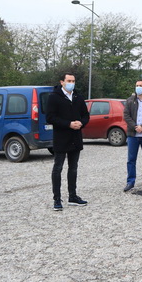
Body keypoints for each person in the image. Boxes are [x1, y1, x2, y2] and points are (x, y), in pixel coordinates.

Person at [46, 72, 89, 211]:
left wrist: (81, 123)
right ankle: (57, 199)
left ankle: (73, 196)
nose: (71, 83)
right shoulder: (54, 97)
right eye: (69, 80)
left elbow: (86, 115)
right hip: (61, 138)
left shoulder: (78, 97)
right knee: (58, 168)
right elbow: (50, 117)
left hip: (75, 138)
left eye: (73, 81)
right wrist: (68, 124)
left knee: (73, 168)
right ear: (62, 82)